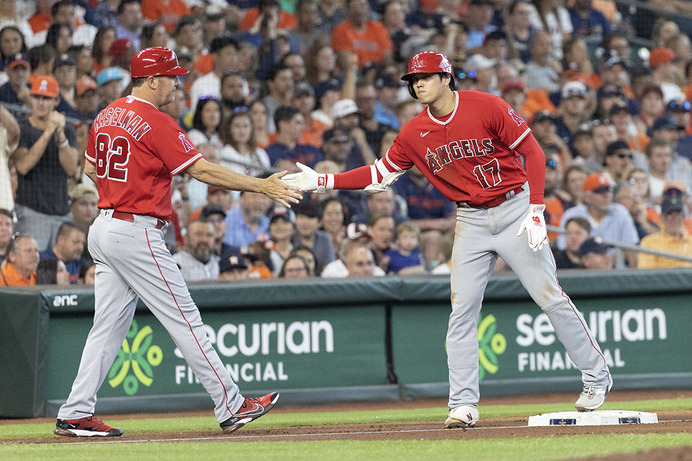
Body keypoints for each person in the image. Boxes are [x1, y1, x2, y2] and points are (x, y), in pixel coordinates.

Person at [283, 51, 612, 426]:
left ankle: (596, 376)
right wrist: (325, 181)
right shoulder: (412, 132)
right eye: (412, 80)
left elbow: (533, 152)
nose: (417, 83)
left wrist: (537, 209)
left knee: (548, 295)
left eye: (424, 77)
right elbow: (379, 175)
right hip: (470, 218)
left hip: (515, 206)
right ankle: (463, 404)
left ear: (446, 77)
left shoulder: (487, 105)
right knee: (461, 311)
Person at [55, 47, 301, 438]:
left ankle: (75, 412)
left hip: (104, 227)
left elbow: (89, 168)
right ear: (151, 80)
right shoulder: (156, 121)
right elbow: (201, 170)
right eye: (170, 77)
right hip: (135, 230)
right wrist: (262, 186)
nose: (176, 82)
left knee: (106, 327)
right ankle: (232, 404)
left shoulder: (107, 114)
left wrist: (124, 188)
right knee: (185, 319)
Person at [12, 76, 78, 251]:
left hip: (61, 212)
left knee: (59, 268)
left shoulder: (67, 130)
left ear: (56, 101)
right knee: (33, 265)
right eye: (36, 97)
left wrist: (60, 135)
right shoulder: (22, 128)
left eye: (46, 98)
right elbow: (23, 166)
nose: (40, 102)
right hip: (32, 210)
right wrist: (48, 132)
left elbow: (72, 169)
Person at [638, 195, 692, 268]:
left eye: (678, 214)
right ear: (662, 218)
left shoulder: (690, 242)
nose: (675, 218)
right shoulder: (649, 242)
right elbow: (646, 274)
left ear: (683, 217)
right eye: (669, 214)